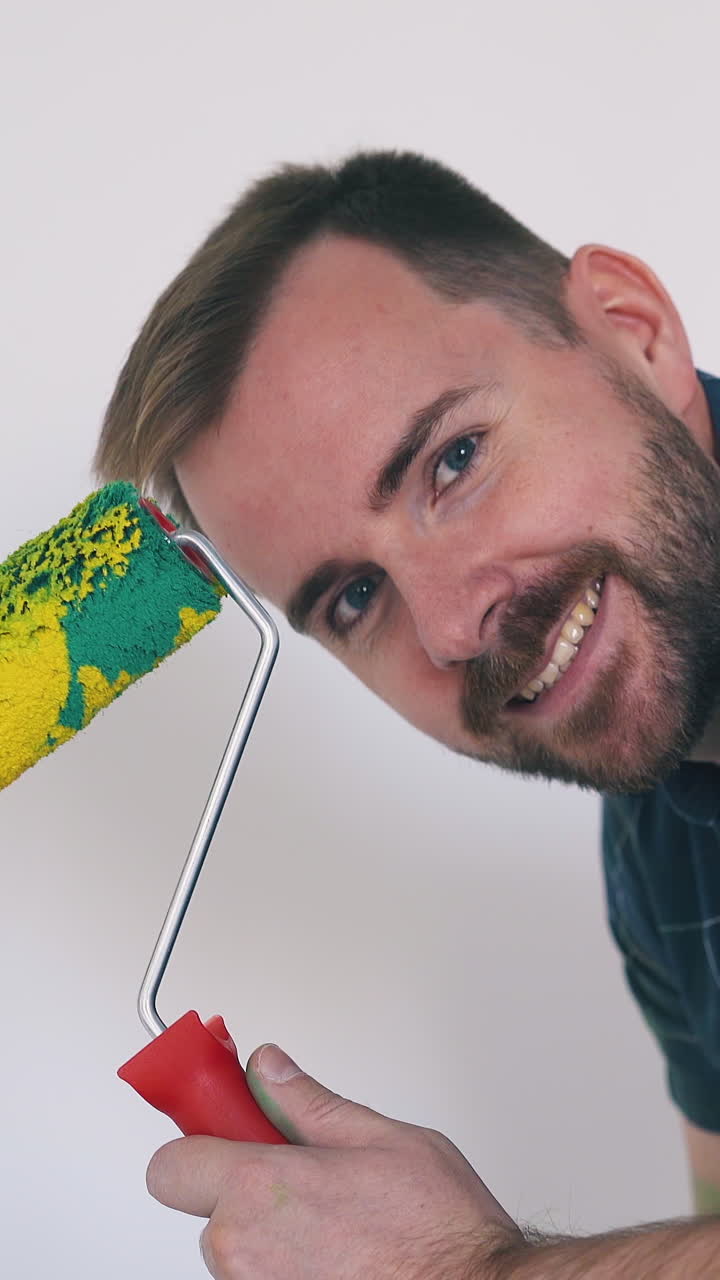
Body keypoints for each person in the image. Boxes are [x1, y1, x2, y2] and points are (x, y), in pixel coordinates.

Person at [94, 150, 720, 1276]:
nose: (447, 627)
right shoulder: (658, 847)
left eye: (454, 460)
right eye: (354, 596)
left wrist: (475, 1270)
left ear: (636, 331)